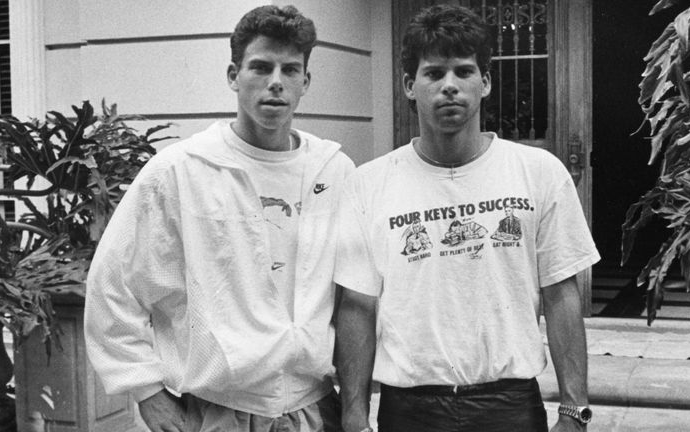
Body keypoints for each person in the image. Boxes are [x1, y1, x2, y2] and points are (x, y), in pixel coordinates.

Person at [84, 5, 354, 432]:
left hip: (313, 409)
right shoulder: (183, 169)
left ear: (306, 81)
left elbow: (355, 293)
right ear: (233, 76)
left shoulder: (333, 171)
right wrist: (146, 392)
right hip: (215, 410)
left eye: (290, 70)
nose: (276, 83)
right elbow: (113, 284)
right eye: (261, 68)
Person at [334, 4, 599, 432]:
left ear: (486, 82)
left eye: (464, 71)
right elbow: (357, 308)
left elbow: (561, 293)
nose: (450, 86)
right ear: (408, 85)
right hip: (409, 410)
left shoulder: (537, 172)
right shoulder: (369, 184)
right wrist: (353, 419)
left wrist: (574, 411)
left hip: (509, 407)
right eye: (434, 73)